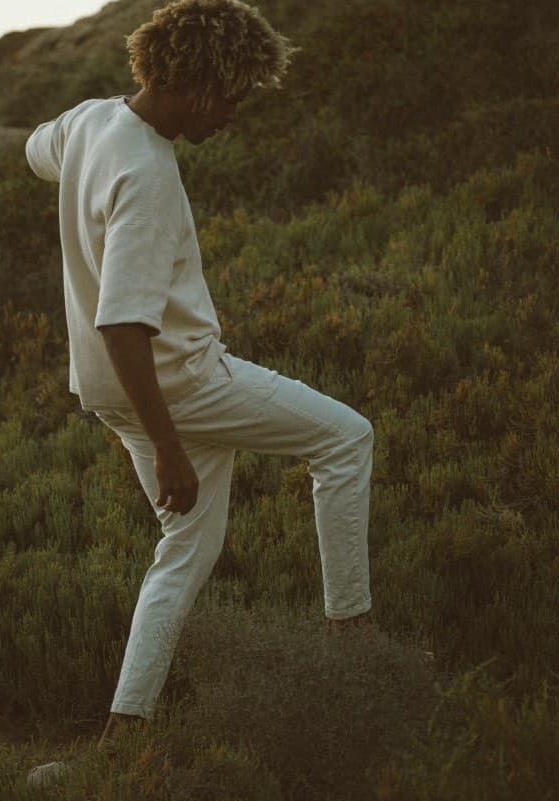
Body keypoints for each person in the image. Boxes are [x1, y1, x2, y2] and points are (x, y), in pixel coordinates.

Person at [24, 0, 373, 759]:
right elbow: (123, 322)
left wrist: (70, 172)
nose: (235, 116)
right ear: (199, 85)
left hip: (106, 390)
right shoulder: (146, 173)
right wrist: (171, 445)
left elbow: (34, 148)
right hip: (176, 385)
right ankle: (353, 634)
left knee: (185, 548)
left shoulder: (89, 123)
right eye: (236, 98)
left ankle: (125, 728)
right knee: (347, 437)